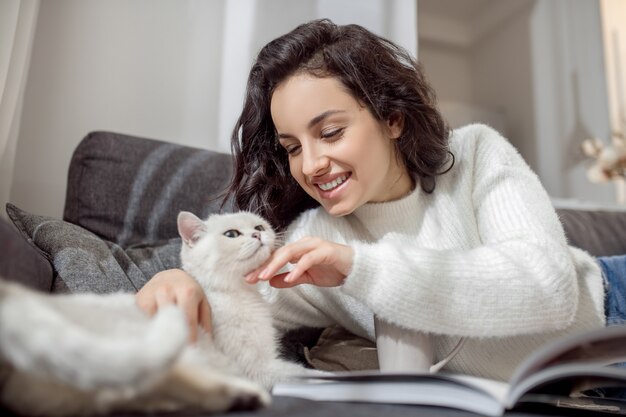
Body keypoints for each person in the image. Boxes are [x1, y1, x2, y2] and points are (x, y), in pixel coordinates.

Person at [136, 19, 624, 383]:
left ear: (392, 118)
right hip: (569, 384)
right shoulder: (314, 241)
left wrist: (361, 270)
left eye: (330, 132)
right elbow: (231, 303)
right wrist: (179, 277)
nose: (310, 164)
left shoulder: (477, 153)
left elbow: (549, 287)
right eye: (292, 148)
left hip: (609, 304)